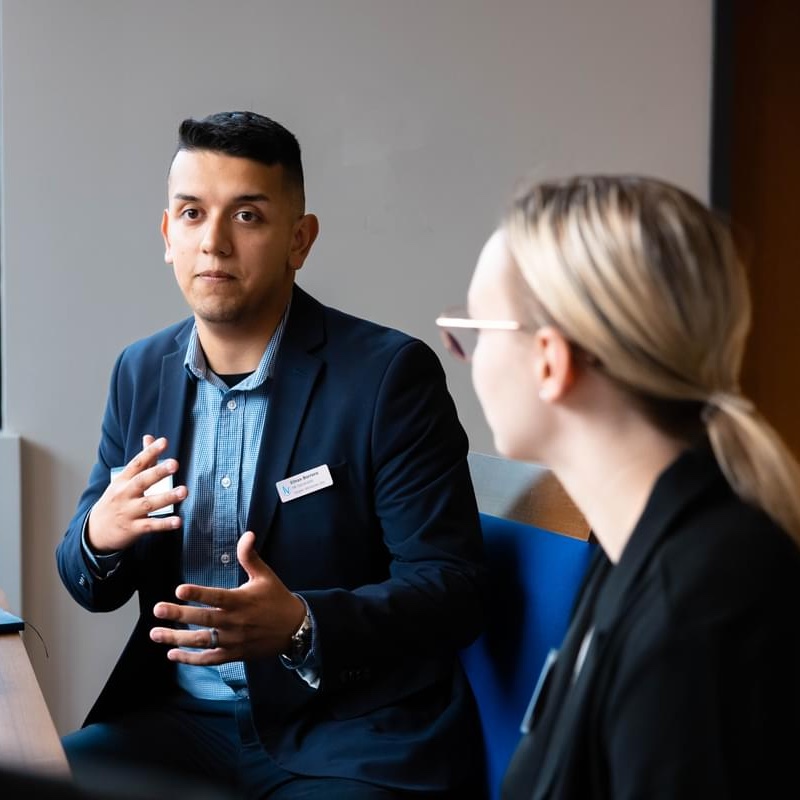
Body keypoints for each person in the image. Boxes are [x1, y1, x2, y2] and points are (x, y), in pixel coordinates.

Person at [56, 111, 486, 800]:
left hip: (348, 733)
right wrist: (100, 535)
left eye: (248, 216)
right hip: (177, 723)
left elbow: (454, 588)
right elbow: (88, 582)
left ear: (299, 239)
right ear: (168, 235)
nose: (214, 242)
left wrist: (303, 624)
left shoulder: (388, 377)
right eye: (192, 214)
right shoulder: (139, 372)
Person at [436, 175, 800, 799]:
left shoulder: (697, 609)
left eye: (471, 331)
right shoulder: (633, 542)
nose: (464, 357)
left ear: (550, 361)